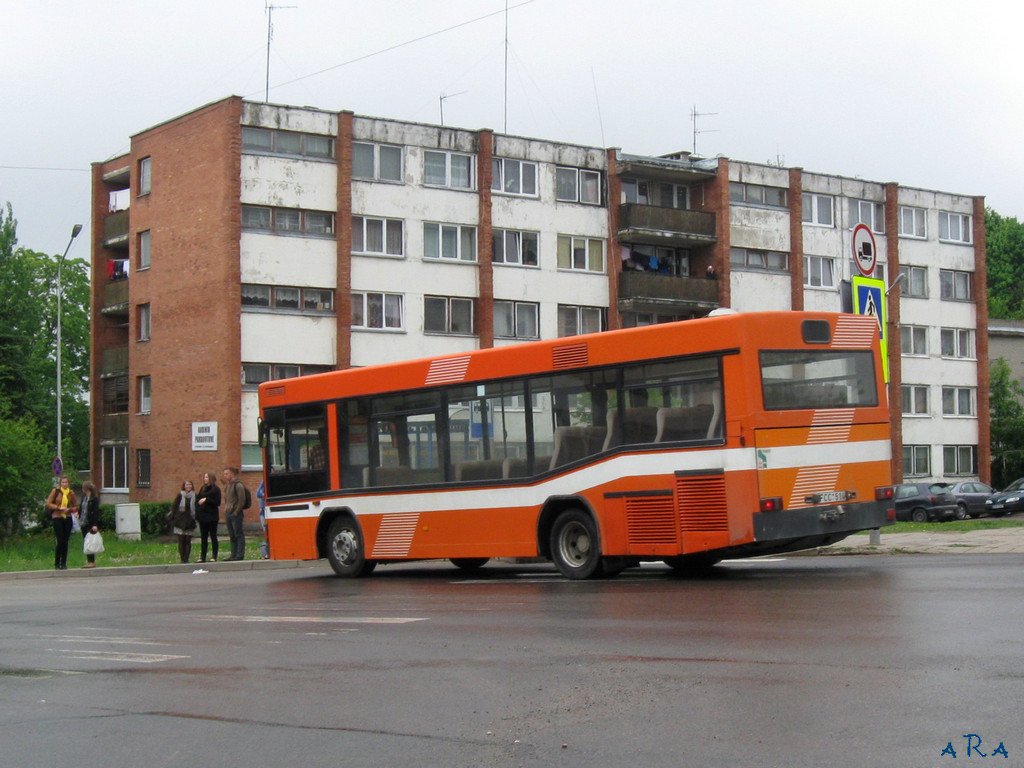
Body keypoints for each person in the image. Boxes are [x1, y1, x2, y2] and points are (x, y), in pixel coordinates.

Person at [46, 476, 78, 570]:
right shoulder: (55, 491)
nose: (64, 484)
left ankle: (63, 563)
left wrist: (70, 509)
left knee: (65, 541)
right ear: (60, 483)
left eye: (66, 482)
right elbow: (48, 504)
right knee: (60, 540)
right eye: (63, 482)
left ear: (68, 484)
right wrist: (58, 507)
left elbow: (75, 505)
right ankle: (57, 563)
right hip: (57, 517)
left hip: (67, 517)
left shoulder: (71, 493)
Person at [168, 480, 198, 563]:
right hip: (180, 520)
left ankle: (186, 558)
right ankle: (182, 559)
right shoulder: (180, 495)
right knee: (181, 540)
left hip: (190, 520)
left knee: (188, 540)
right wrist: (175, 518)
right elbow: (175, 507)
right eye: (187, 485)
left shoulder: (194, 496)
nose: (188, 486)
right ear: (184, 486)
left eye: (190, 485)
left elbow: (196, 507)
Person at [195, 471, 221, 563]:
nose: (205, 479)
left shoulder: (215, 489)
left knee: (213, 536)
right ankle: (203, 556)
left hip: (212, 516)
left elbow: (217, 502)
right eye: (204, 477)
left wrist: (207, 499)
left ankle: (214, 555)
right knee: (203, 537)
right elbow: (198, 500)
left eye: (206, 477)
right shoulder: (203, 488)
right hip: (203, 516)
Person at [221, 467, 246, 561]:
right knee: (232, 535)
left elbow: (241, 500)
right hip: (228, 512)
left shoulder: (238, 485)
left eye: (227, 474)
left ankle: (239, 554)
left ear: (232, 474)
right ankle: (233, 554)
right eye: (224, 474)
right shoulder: (228, 486)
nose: (225, 476)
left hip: (236, 513)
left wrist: (236, 512)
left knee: (238, 534)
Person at [79, 481, 101, 568]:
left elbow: (95, 512)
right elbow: (82, 509)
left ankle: (92, 561)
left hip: (90, 523)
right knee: (86, 541)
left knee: (90, 541)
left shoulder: (94, 499)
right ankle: (89, 561)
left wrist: (95, 524)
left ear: (85, 489)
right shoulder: (84, 498)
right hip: (83, 522)